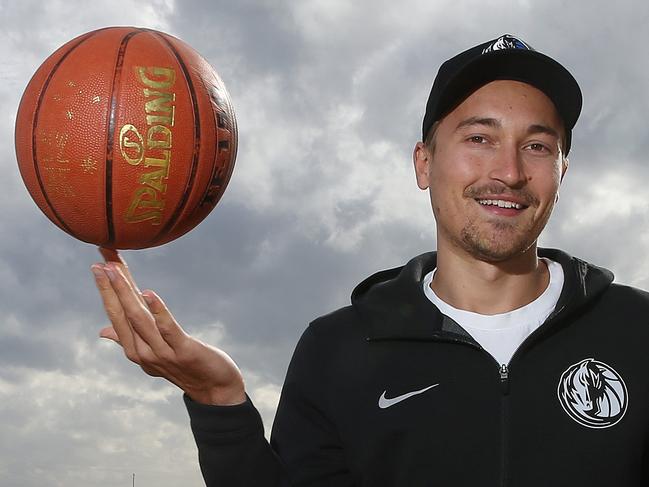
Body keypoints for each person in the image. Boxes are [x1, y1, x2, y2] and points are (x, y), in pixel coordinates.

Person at [91, 34, 649, 486]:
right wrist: (219, 404)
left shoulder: (636, 330)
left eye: (537, 146)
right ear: (424, 163)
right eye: (479, 138)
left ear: (562, 172)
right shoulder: (336, 350)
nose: (508, 170)